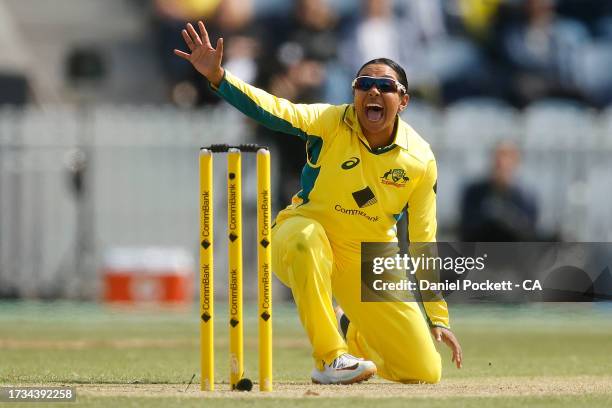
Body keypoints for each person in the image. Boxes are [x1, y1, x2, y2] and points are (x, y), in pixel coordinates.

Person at [175, 21, 462, 385]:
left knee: (424, 371)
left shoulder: (420, 160)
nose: (373, 91)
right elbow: (273, 109)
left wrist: (438, 317)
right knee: (307, 237)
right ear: (354, 92)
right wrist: (219, 78)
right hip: (299, 236)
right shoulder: (330, 122)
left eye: (385, 86)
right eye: (364, 85)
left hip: (368, 257)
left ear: (403, 100)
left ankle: (352, 331)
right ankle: (330, 358)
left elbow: (423, 239)